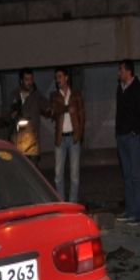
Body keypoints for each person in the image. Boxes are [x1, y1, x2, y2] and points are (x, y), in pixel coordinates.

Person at [115, 59, 140, 226]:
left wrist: (137, 132)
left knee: (136, 176)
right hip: (122, 137)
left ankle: (138, 214)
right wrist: (118, 132)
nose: (118, 73)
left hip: (133, 138)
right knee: (127, 175)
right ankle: (130, 211)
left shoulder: (138, 89)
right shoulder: (120, 89)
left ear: (128, 71)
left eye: (120, 70)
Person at [50, 66, 85, 202]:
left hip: (73, 138)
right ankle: (62, 203)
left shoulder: (76, 95)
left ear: (66, 78)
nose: (57, 80)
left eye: (60, 76)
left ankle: (72, 204)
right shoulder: (55, 95)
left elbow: (82, 114)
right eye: (56, 77)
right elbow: (54, 110)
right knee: (58, 175)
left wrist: (80, 134)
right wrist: (66, 108)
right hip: (60, 139)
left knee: (74, 176)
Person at [9, 67, 51, 168]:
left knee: (33, 172)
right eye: (27, 79)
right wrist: (12, 115)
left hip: (33, 141)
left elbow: (47, 106)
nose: (29, 82)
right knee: (20, 171)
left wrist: (51, 109)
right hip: (18, 141)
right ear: (21, 81)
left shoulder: (36, 94)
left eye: (31, 79)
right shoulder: (14, 94)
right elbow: (6, 115)